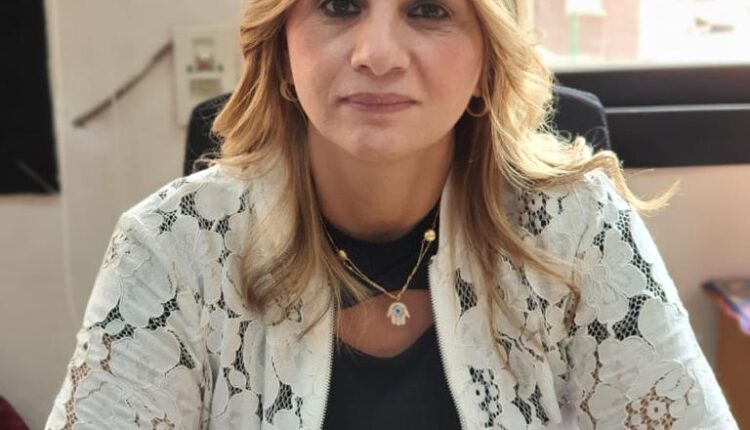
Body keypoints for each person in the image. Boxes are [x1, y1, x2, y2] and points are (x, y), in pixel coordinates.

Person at [46, 0, 738, 428]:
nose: (377, 55)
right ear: (282, 49)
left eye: (429, 9)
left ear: (486, 57)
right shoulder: (168, 249)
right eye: (340, 5)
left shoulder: (581, 229)